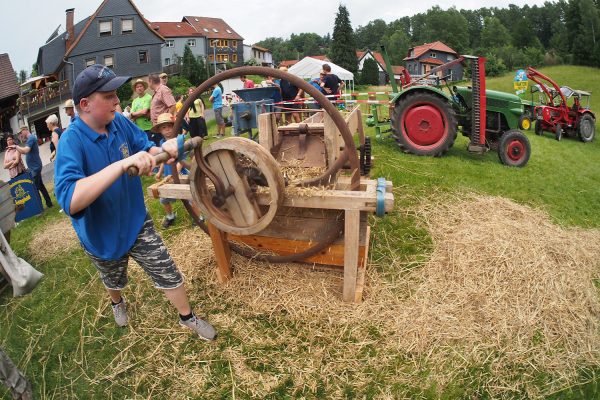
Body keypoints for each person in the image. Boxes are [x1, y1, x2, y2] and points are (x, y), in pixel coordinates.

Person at [54, 64, 216, 340]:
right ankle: (117, 302)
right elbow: (71, 201)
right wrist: (122, 165)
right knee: (112, 279)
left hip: (135, 221)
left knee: (166, 268)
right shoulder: (71, 142)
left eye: (116, 94)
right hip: (100, 234)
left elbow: (144, 147)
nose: (117, 101)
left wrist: (161, 150)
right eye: (108, 96)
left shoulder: (118, 122)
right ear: (85, 104)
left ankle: (187, 317)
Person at [152, 113, 189, 228]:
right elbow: (164, 160)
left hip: (181, 175)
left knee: (190, 197)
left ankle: (199, 217)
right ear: (159, 130)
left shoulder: (180, 140)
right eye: (164, 127)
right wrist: (159, 172)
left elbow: (182, 161)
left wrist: (176, 172)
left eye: (169, 126)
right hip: (169, 177)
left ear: (174, 126)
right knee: (164, 199)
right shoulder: (162, 144)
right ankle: (170, 216)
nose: (167, 129)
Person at [12, 125, 53, 208]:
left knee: (35, 188)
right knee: (40, 185)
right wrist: (17, 148)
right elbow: (24, 151)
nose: (21, 135)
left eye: (21, 133)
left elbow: (25, 150)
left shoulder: (31, 138)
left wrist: (16, 147)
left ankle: (39, 207)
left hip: (35, 167)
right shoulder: (29, 139)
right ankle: (49, 203)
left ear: (24, 130)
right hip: (34, 167)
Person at [148, 73, 176, 146]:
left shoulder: (163, 89)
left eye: (148, 82)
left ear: (150, 81)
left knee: (170, 148)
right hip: (160, 127)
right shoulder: (157, 92)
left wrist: (167, 121)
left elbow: (172, 105)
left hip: (165, 127)